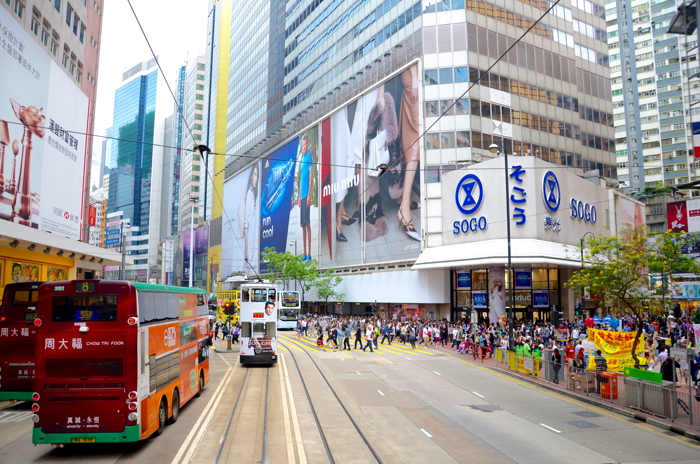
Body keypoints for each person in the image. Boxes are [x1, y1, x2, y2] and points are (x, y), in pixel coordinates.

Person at [297, 134, 314, 261]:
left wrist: (308, 195)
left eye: (305, 144)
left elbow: (310, 178)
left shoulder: (309, 157)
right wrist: (298, 196)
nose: (304, 146)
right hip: (301, 197)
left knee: (307, 224)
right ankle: (304, 254)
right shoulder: (301, 158)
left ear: (307, 144)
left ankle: (309, 254)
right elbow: (299, 179)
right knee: (302, 226)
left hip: (306, 196)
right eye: (303, 144)